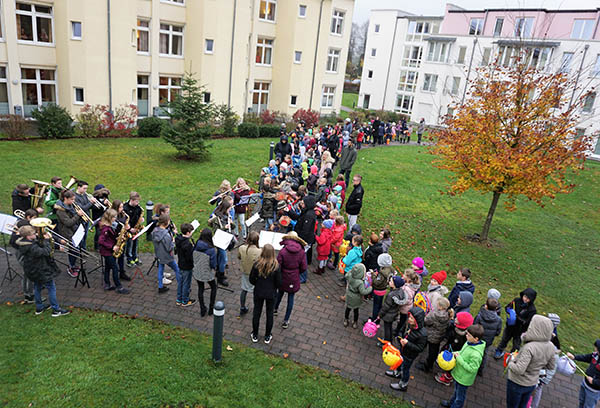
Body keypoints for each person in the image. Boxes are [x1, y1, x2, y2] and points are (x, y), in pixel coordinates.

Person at [15, 225, 70, 317]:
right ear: (28, 236)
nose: (35, 234)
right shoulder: (31, 247)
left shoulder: (25, 243)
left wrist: (43, 238)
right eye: (33, 234)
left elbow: (38, 245)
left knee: (37, 287)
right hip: (41, 270)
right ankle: (56, 310)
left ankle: (39, 307)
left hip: (33, 270)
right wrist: (48, 240)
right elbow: (45, 251)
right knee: (51, 288)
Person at [505, 315, 556, 408]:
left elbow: (519, 370)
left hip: (517, 382)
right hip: (532, 383)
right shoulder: (551, 346)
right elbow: (551, 366)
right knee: (523, 405)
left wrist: (510, 361)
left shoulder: (529, 347)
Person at [440, 324, 486, 408]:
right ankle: (451, 404)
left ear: (476, 339)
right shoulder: (469, 342)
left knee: (459, 397)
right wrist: (454, 354)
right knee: (456, 392)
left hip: (464, 379)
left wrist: (459, 359)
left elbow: (472, 369)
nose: (466, 335)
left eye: (468, 335)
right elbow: (462, 352)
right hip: (459, 374)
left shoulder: (476, 354)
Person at [388, 307, 427, 392]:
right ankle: (397, 373)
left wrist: (407, 344)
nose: (409, 319)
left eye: (412, 318)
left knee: (405, 369)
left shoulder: (422, 334)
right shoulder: (409, 324)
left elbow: (419, 348)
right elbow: (402, 331)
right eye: (409, 317)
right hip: (403, 349)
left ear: (417, 320)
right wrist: (400, 338)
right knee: (399, 361)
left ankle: (403, 384)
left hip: (409, 355)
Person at [249, 244, 282, 344]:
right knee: (269, 314)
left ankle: (255, 334)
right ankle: (267, 336)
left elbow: (251, 279)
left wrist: (258, 284)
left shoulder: (257, 264)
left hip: (259, 292)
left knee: (257, 313)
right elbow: (279, 283)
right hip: (271, 294)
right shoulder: (276, 267)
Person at [275, 231, 307, 329]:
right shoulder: (301, 252)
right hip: (294, 277)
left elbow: (277, 265)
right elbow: (304, 267)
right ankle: (286, 320)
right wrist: (297, 272)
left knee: (280, 293)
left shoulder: (283, 251)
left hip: (283, 276)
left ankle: (275, 309)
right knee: (291, 298)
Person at [494, 288, 537, 358]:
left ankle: (512, 357)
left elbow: (528, 322)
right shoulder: (517, 300)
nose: (525, 299)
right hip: (510, 326)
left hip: (520, 330)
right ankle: (499, 350)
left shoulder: (532, 310)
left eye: (528, 298)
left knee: (516, 345)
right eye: (525, 296)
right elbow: (508, 307)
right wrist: (509, 310)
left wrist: (518, 318)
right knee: (504, 339)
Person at [98, 209, 130, 294]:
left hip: (108, 250)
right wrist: (112, 246)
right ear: (110, 218)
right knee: (115, 268)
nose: (116, 218)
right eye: (114, 217)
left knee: (108, 267)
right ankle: (119, 287)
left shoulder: (109, 226)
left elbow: (109, 238)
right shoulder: (105, 228)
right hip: (107, 252)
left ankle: (107, 284)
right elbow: (101, 241)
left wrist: (117, 239)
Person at [10, 209, 38, 303]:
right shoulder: (24, 226)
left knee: (28, 273)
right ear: (28, 217)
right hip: (21, 252)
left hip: (23, 250)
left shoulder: (24, 224)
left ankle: (29, 292)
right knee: (28, 273)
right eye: (34, 218)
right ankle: (29, 295)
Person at [54, 190, 85, 277]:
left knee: (76, 250)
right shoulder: (60, 210)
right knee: (72, 250)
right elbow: (68, 223)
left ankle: (74, 265)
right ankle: (71, 267)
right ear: (65, 198)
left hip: (74, 230)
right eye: (71, 199)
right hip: (67, 232)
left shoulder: (70, 206)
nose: (73, 201)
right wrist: (78, 215)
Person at [286, 195, 316, 282]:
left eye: (303, 203)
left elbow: (305, 231)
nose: (301, 204)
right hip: (302, 238)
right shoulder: (306, 212)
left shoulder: (309, 215)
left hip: (305, 240)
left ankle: (303, 277)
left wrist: (298, 240)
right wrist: (289, 212)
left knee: (302, 259)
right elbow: (298, 218)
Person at [419, 297, 453, 373]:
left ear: (440, 307)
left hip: (431, 335)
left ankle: (427, 366)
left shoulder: (434, 314)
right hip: (439, 335)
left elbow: (426, 321)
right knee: (434, 350)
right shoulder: (448, 314)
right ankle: (430, 364)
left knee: (431, 351)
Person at [567, 339, 600, 408]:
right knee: (581, 401)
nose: (595, 350)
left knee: (588, 406)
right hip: (585, 384)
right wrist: (574, 357)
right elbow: (586, 357)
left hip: (593, 391)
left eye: (597, 350)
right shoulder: (595, 355)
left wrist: (593, 381)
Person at [151, 214, 179, 294]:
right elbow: (169, 248)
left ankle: (160, 287)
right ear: (166, 223)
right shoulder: (166, 235)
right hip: (167, 256)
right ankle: (181, 285)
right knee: (177, 270)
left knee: (160, 269)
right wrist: (173, 241)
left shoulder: (155, 231)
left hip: (158, 254)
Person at [474, 298, 502, 375]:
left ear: (486, 306)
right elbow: (498, 332)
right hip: (488, 341)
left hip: (477, 339)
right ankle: (480, 370)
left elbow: (474, 326)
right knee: (484, 354)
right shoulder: (499, 319)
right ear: (496, 308)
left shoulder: (479, 316)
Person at [194, 228, 218, 316]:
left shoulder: (197, 244)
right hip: (207, 271)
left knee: (201, 289)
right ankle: (211, 308)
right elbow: (212, 264)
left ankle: (202, 309)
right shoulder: (211, 249)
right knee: (214, 287)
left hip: (197, 270)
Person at [377, 275, 408, 342]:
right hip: (394, 313)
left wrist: (380, 314)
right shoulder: (400, 291)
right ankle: (390, 339)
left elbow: (386, 307)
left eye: (391, 281)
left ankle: (387, 342)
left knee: (387, 329)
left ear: (395, 285)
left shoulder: (391, 295)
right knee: (389, 327)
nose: (389, 282)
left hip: (388, 315)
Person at [237, 232, 261, 316]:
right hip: (255, 274)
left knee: (244, 290)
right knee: (256, 291)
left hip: (245, 272)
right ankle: (256, 308)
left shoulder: (241, 248)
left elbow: (239, 257)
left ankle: (242, 307)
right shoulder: (259, 251)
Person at [174, 223, 197, 307]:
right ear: (188, 233)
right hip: (187, 266)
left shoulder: (178, 239)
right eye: (191, 232)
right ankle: (185, 300)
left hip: (180, 264)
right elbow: (189, 257)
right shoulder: (187, 244)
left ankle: (179, 299)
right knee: (186, 283)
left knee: (181, 282)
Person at [344, 263, 372, 328]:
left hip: (349, 294)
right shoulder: (360, 282)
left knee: (348, 309)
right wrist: (370, 288)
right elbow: (363, 291)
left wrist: (352, 271)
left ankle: (346, 320)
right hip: (356, 297)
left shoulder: (350, 276)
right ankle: (355, 322)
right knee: (356, 310)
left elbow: (346, 275)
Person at [123, 191, 144, 267]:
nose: (138, 203)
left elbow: (139, 215)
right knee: (129, 245)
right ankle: (129, 259)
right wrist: (129, 229)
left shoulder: (138, 208)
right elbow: (123, 220)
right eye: (136, 201)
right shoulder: (125, 208)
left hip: (136, 229)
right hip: (129, 230)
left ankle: (135, 257)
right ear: (131, 200)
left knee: (135, 244)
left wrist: (141, 219)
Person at [73, 180, 95, 251]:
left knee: (85, 235)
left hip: (87, 218)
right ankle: (79, 250)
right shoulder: (75, 197)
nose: (86, 190)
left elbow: (88, 207)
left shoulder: (84, 195)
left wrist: (94, 203)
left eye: (86, 188)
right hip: (80, 219)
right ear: (79, 187)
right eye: (84, 188)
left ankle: (83, 249)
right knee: (80, 236)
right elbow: (82, 208)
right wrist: (91, 202)